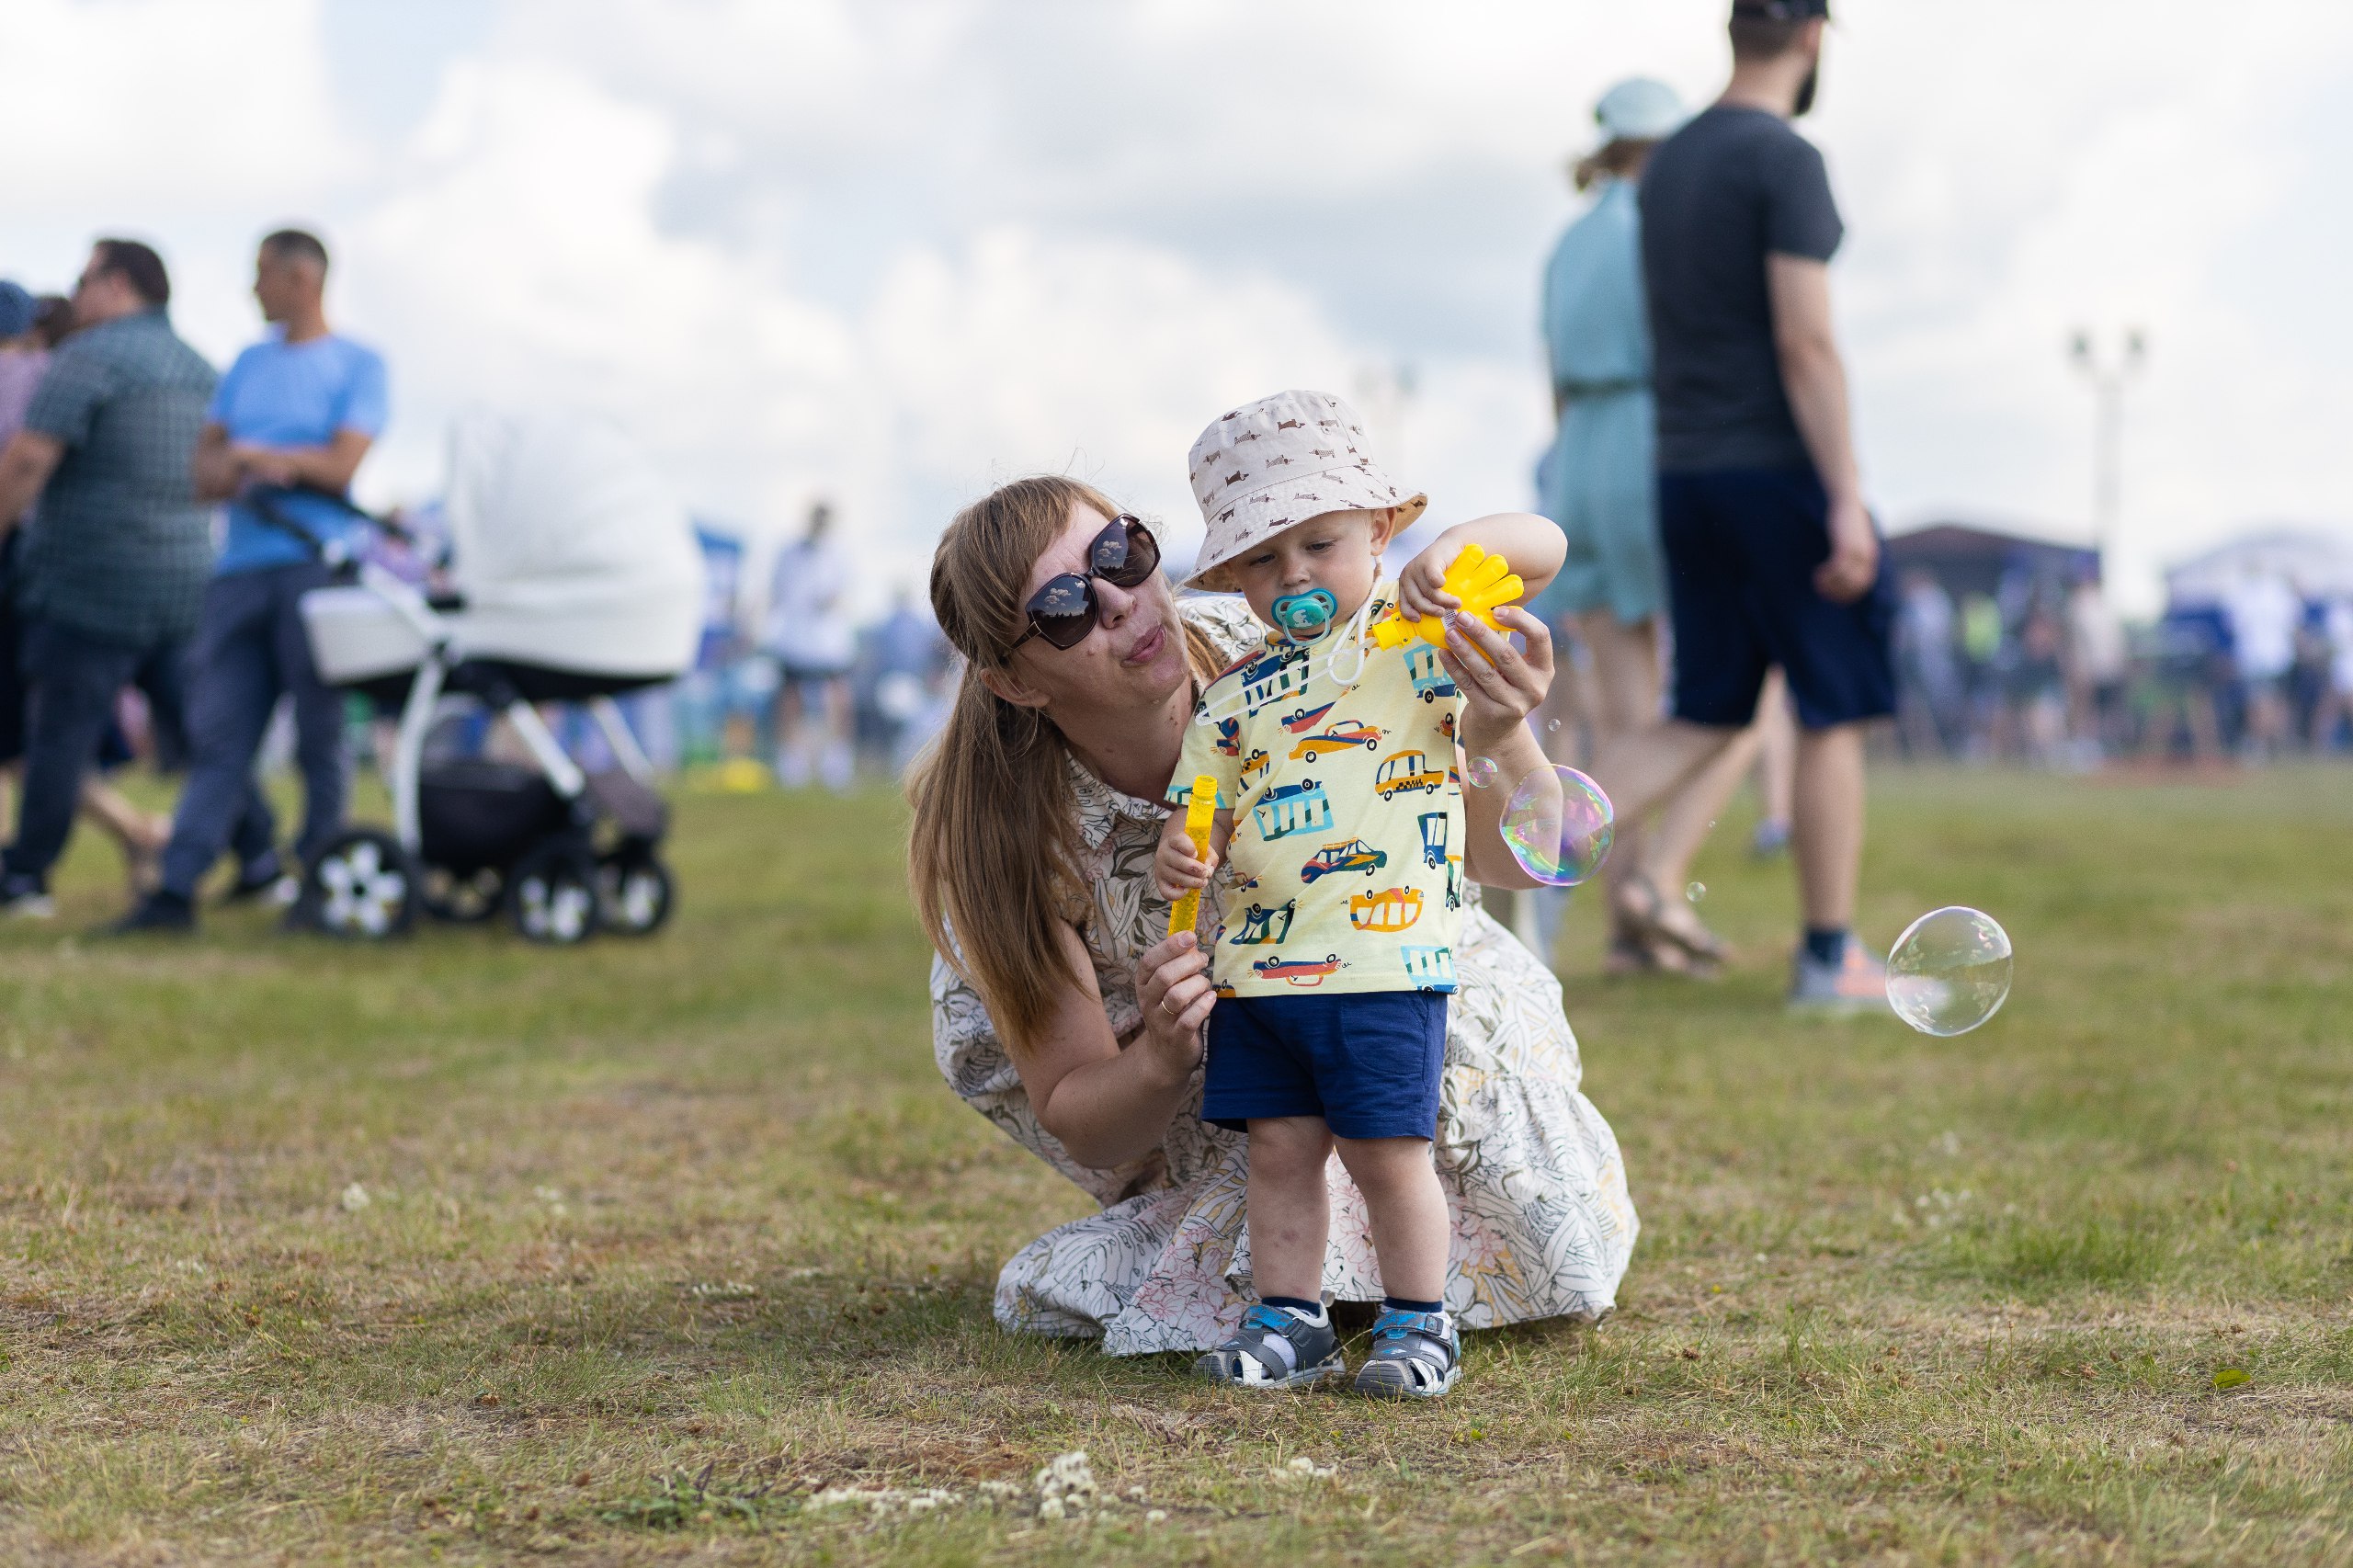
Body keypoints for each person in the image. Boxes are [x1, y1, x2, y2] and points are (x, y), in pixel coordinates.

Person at [909, 472, 1635, 1379]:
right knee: (1290, 1163)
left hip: (1393, 970)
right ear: (1013, 680)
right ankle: (1315, 1290)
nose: (1122, 604)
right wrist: (1160, 1053)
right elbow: (1087, 1123)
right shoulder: (1012, 842)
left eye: (1119, 555)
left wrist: (1496, 730)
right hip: (1227, 1085)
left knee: (1451, 1148)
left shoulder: (1294, 639)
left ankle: (1385, 1293)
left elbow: (1511, 855)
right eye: (1063, 609)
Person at [1152, 391, 1567, 1398]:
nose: (1294, 574)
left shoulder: (1423, 637)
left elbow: (1545, 542)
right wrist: (1181, 844)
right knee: (1280, 1154)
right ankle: (1288, 1318)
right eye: (1262, 559)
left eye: (1320, 543)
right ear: (1229, 577)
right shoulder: (1235, 693)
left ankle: (1421, 1322)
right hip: (1261, 972)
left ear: (1381, 532)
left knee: (1389, 1155)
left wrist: (1460, 543)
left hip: (1387, 965)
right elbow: (1199, 798)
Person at [1593, 0, 1896, 1012]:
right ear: (1813, 38)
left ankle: (1480, 862)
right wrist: (1846, 498)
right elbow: (1805, 342)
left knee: (1701, 712)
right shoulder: (1784, 159)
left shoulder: (1668, 164)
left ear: (1735, 32)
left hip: (1682, 471)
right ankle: (1828, 959)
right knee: (1832, 708)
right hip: (1773, 471)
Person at [1529, 77, 1763, 977]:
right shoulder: (1664, 227)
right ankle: (1648, 877)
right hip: (1650, 443)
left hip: (1578, 455)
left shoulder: (1567, 242)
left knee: (1629, 702)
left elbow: (1552, 373)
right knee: (1738, 686)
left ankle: (1628, 923)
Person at [115, 230, 387, 934]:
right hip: (238, 572)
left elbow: (341, 466)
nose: (252, 288)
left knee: (317, 736)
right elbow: (204, 476)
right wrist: (264, 462)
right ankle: (177, 889)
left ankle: (321, 884)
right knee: (219, 734)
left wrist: (264, 456)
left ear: (303, 278)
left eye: (262, 274)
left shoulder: (359, 363)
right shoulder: (246, 364)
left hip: (314, 566)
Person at [0, 242, 217, 918]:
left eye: (85, 278)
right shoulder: (200, 366)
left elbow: (29, 461)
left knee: (58, 733)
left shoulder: (87, 358)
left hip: (89, 582)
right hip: (182, 578)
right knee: (212, 732)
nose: (76, 291)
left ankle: (26, 872)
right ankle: (261, 851)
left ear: (116, 284)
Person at [762, 502, 855, 791]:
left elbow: (845, 592)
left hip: (830, 642)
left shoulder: (840, 553)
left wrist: (830, 600)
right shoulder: (788, 553)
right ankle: (792, 761)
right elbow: (776, 592)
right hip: (796, 640)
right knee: (790, 698)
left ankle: (836, 761)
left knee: (836, 697)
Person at [2221, 563, 2300, 763]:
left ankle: (2260, 744)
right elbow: (2294, 623)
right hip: (2279, 655)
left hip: (2254, 657)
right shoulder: (2279, 592)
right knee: (2277, 701)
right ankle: (2278, 743)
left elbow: (2232, 626)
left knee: (2259, 702)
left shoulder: (2241, 595)